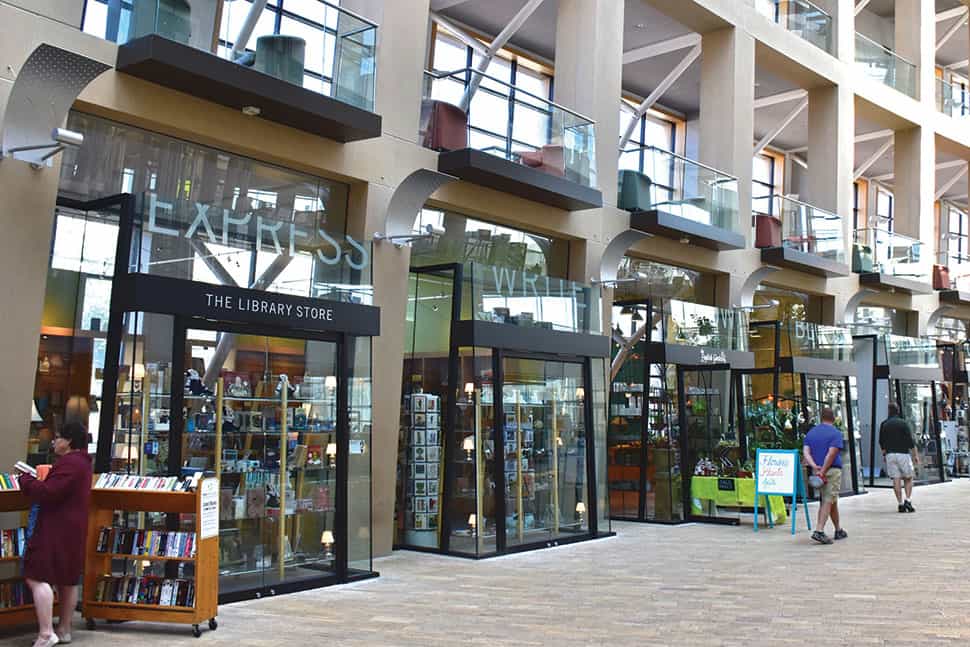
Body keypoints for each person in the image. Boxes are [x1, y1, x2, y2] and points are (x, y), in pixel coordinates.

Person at [17, 422, 92, 647]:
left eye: (58, 437)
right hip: (73, 528)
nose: (54, 441)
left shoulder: (69, 463)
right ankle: (65, 629)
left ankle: (46, 632)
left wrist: (26, 480)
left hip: (56, 528)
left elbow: (49, 493)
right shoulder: (84, 463)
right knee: (67, 579)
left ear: (69, 441)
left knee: (36, 574)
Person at [802, 407, 846, 545]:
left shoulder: (811, 433)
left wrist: (815, 466)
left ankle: (838, 529)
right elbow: (831, 454)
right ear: (833, 418)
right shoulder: (836, 433)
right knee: (828, 500)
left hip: (818, 470)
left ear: (821, 417)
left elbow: (806, 452)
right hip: (831, 471)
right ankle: (819, 531)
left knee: (831, 500)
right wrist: (824, 470)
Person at [879, 402, 918, 513]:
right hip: (903, 454)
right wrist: (915, 455)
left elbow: (881, 442)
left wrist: (884, 454)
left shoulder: (884, 424)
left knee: (896, 479)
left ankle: (900, 503)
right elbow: (911, 441)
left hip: (890, 454)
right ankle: (908, 500)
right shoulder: (903, 423)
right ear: (898, 410)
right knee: (908, 478)